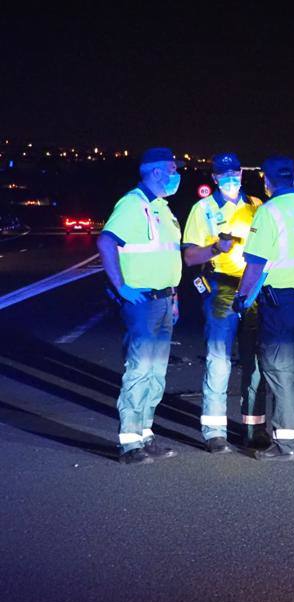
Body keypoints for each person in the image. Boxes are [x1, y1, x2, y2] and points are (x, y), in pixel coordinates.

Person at [96, 147, 183, 464]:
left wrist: (174, 295)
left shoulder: (161, 207)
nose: (177, 174)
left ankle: (146, 434)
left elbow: (168, 256)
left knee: (156, 373)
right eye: (173, 168)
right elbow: (106, 241)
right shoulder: (134, 204)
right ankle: (129, 442)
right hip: (143, 302)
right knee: (140, 368)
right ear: (157, 171)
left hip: (164, 299)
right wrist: (120, 286)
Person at [182, 152, 270, 454]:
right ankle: (215, 430)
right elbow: (190, 256)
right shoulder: (202, 209)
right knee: (219, 358)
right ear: (215, 177)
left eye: (237, 172)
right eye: (225, 173)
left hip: (254, 288)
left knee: (255, 359)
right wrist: (216, 248)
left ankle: (254, 427)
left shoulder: (257, 206)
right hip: (221, 287)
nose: (232, 178)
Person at [235, 156, 294, 461]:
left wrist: (241, 298)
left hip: (280, 300)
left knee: (277, 367)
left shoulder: (268, 212)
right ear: (293, 177)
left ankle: (286, 444)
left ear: (267, 181)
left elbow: (256, 264)